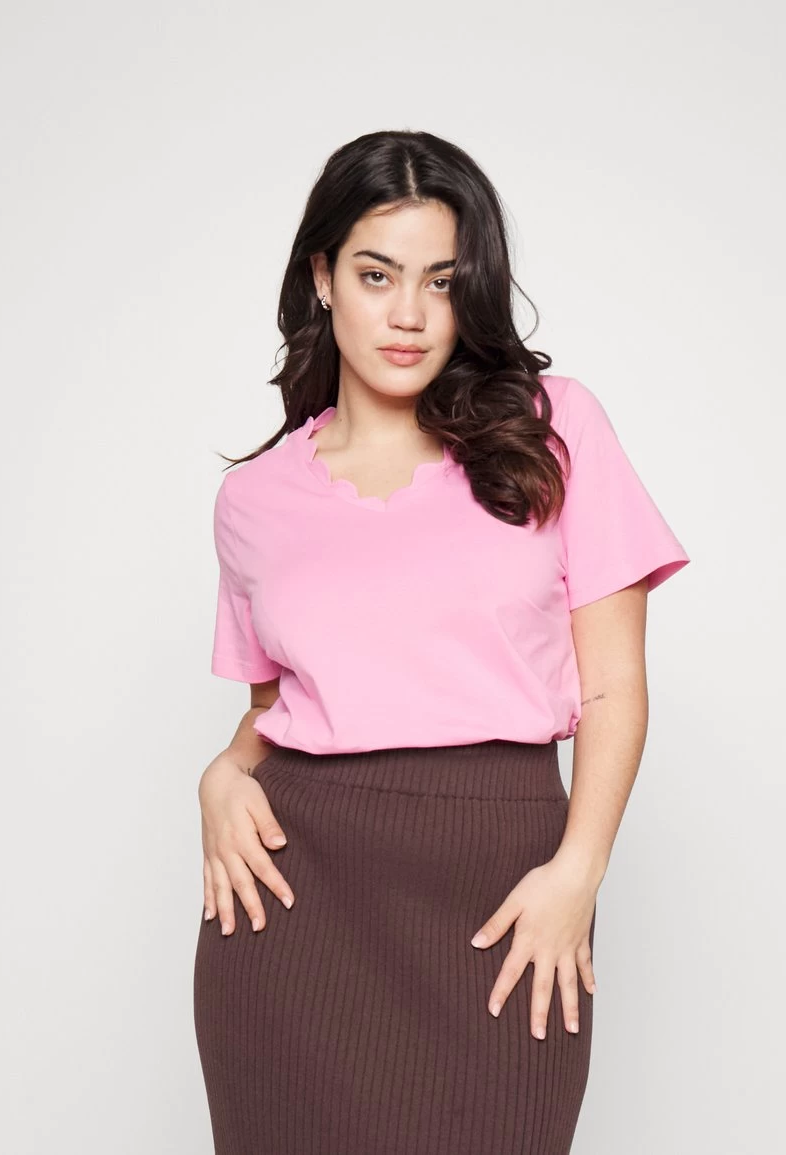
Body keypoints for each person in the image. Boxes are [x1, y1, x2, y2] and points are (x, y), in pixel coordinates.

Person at [192, 129, 690, 1155]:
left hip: (504, 886)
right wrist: (222, 775)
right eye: (376, 275)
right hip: (294, 902)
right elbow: (275, 711)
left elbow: (612, 688)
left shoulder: (552, 428)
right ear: (322, 277)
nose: (410, 314)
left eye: (442, 280)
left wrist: (578, 872)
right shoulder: (253, 500)